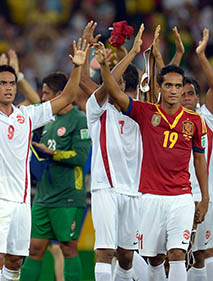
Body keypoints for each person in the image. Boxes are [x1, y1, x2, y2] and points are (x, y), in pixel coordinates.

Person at [0, 34, 89, 281]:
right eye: (3, 83)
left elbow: (65, 98)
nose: (9, 88)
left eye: (12, 83)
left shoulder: (26, 116)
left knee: (15, 261)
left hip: (21, 203)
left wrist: (77, 67)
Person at [99, 41, 209, 281]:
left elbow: (200, 161)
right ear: (159, 87)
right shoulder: (145, 112)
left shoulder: (195, 122)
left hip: (181, 197)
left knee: (177, 252)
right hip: (149, 196)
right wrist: (107, 67)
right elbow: (113, 91)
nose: (173, 90)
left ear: (183, 89)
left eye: (178, 86)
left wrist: (205, 197)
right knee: (155, 258)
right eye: (168, 85)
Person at [83, 25, 146, 281]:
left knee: (127, 254)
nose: (111, 84)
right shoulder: (97, 108)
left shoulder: (141, 110)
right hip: (105, 187)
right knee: (105, 251)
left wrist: (123, 51)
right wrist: (129, 54)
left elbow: (144, 80)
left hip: (133, 188)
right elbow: (108, 84)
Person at [19, 71, 92, 281]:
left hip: (68, 195)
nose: (42, 99)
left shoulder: (79, 119)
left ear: (60, 94)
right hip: (43, 195)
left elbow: (80, 156)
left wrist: (52, 154)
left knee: (68, 248)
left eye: (46, 93)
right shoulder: (47, 119)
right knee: (34, 249)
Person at [177, 29, 213, 281]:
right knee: (186, 250)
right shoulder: (171, 119)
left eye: (191, 94)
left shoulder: (206, 116)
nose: (186, 98)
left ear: (197, 98)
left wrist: (200, 56)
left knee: (205, 249)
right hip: (182, 191)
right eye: (182, 93)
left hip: (209, 191)